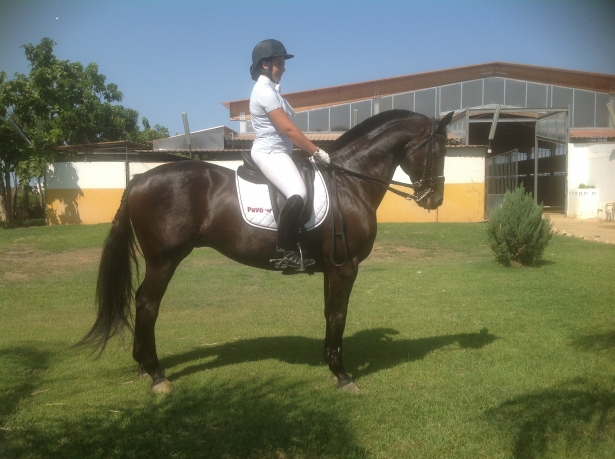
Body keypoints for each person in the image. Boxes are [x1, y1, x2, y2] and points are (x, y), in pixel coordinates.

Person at [249, 39, 330, 269]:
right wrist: (317, 151)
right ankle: (285, 251)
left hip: (280, 152)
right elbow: (288, 130)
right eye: (279, 63)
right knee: (298, 192)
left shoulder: (272, 90)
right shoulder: (264, 92)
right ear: (265, 65)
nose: (284, 68)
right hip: (270, 153)